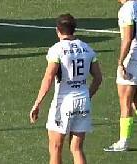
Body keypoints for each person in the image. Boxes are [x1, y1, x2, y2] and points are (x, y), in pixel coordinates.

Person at [29, 14, 102, 164]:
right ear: (74, 29)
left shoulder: (57, 50)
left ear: (58, 31)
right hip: (83, 100)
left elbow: (48, 78)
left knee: (55, 147)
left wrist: (37, 103)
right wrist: (87, 95)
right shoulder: (87, 48)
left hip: (64, 101)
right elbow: (98, 78)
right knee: (77, 148)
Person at [104, 0, 137, 152]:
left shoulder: (126, 10)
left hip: (134, 58)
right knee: (132, 100)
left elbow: (128, 38)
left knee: (125, 101)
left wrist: (120, 62)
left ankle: (123, 142)